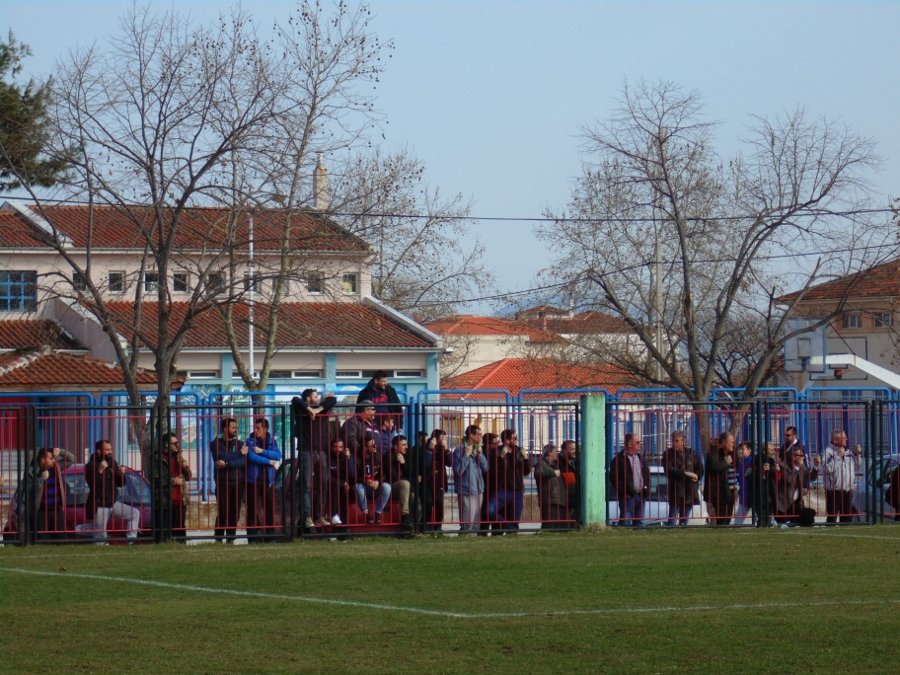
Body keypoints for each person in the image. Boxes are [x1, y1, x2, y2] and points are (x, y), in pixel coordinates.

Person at [291, 388, 339, 530]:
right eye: (315, 396)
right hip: (306, 451)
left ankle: (320, 516)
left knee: (323, 483)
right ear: (308, 398)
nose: (318, 398)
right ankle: (307, 517)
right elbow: (295, 399)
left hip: (321, 451)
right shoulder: (300, 409)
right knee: (306, 485)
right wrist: (308, 409)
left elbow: (333, 399)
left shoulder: (321, 409)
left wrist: (316, 411)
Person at [85, 439, 140, 542]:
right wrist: (100, 471)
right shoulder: (91, 466)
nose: (111, 452)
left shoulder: (111, 462)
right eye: (107, 450)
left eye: (111, 449)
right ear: (99, 451)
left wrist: (121, 474)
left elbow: (121, 484)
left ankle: (131, 541)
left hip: (113, 502)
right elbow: (93, 485)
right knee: (100, 537)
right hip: (100, 504)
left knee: (134, 513)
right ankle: (100, 548)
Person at [17, 447, 73, 542]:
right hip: (42, 510)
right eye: (51, 458)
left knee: (62, 538)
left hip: (57, 509)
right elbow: (29, 490)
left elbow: (71, 459)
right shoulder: (31, 471)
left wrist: (61, 452)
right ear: (43, 459)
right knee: (43, 539)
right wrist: (41, 479)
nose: (53, 460)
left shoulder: (56, 466)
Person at [208, 417, 248, 543]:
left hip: (238, 482)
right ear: (225, 429)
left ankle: (231, 539)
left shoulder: (240, 444)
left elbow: (242, 462)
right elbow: (222, 456)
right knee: (223, 512)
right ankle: (218, 539)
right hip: (222, 483)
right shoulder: (215, 444)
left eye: (236, 427)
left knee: (234, 512)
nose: (236, 430)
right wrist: (239, 454)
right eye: (233, 427)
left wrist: (226, 464)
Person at [245, 417, 281, 542]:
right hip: (253, 480)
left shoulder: (272, 441)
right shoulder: (250, 441)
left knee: (269, 509)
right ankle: (252, 537)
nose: (255, 430)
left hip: (268, 480)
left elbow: (278, 455)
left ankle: (270, 537)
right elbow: (251, 457)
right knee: (252, 509)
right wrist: (269, 461)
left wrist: (262, 451)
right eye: (254, 428)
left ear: (265, 429)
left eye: (258, 428)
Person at [487, 429, 530, 531]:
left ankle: (512, 529)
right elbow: (494, 471)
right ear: (506, 440)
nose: (516, 440)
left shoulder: (519, 451)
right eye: (514, 438)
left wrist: (526, 458)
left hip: (517, 490)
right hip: (503, 490)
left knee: (515, 521)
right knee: (490, 511)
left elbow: (526, 472)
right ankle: (509, 527)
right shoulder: (497, 451)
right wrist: (501, 456)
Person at [661, 431, 703, 527]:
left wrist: (697, 476)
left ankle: (682, 531)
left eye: (677, 441)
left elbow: (699, 467)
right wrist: (684, 473)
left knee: (684, 521)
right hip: (676, 490)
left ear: (683, 441)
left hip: (689, 490)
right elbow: (668, 470)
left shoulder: (691, 453)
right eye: (673, 441)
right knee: (672, 520)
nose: (674, 443)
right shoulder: (668, 454)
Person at [452, 424, 487, 533]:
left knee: (476, 521)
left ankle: (474, 540)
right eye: (479, 434)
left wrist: (480, 456)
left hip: (479, 488)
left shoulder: (478, 449)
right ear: (471, 435)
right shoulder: (459, 451)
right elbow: (458, 471)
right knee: (467, 521)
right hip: (466, 489)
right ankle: (465, 536)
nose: (481, 436)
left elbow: (486, 468)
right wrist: (466, 456)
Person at [609, 433, 649, 527]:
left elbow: (646, 474)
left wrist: (646, 487)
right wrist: (624, 491)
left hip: (641, 494)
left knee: (639, 523)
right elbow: (614, 478)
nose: (640, 444)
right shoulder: (619, 459)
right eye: (638, 442)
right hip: (628, 496)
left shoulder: (640, 457)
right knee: (626, 522)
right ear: (630, 444)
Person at [775, 443, 818, 526]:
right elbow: (789, 479)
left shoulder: (802, 466)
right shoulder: (783, 466)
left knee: (809, 515)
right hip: (785, 501)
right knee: (802, 518)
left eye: (803, 455)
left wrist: (815, 466)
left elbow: (811, 477)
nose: (803, 457)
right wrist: (796, 468)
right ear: (793, 457)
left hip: (796, 501)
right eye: (800, 455)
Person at [822, 429, 860, 524]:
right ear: (835, 440)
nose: (846, 439)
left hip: (848, 490)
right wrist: (838, 457)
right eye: (843, 438)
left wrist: (857, 454)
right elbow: (827, 469)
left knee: (847, 517)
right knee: (832, 517)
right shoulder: (828, 452)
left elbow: (857, 466)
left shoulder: (848, 452)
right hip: (834, 491)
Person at [160, 433, 192, 540]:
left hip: (180, 499)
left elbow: (188, 477)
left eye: (178, 443)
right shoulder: (159, 458)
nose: (178, 445)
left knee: (180, 527)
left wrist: (186, 468)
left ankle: (181, 544)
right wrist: (174, 481)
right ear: (167, 445)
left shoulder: (179, 457)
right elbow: (157, 478)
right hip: (166, 500)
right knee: (167, 529)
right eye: (175, 443)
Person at [354, 432, 391, 524]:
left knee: (387, 487)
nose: (375, 447)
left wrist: (378, 481)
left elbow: (384, 474)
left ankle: (377, 514)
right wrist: (366, 481)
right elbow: (353, 476)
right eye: (372, 446)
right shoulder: (357, 458)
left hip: (375, 486)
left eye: (375, 445)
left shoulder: (378, 456)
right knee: (358, 487)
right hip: (364, 487)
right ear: (365, 448)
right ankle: (366, 515)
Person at [705, 432, 737, 527]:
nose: (733, 444)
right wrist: (725, 463)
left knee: (727, 518)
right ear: (724, 442)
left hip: (729, 488)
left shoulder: (729, 452)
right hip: (718, 491)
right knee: (722, 519)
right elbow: (715, 466)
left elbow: (736, 464)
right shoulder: (714, 451)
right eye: (731, 442)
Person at [422, 428, 451, 532]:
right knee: (428, 502)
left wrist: (446, 449)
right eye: (442, 438)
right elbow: (426, 463)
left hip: (440, 480)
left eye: (445, 438)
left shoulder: (443, 449)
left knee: (439, 503)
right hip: (428, 480)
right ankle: (427, 525)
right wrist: (430, 448)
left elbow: (450, 463)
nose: (444, 440)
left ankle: (438, 526)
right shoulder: (427, 447)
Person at [386, 435, 416, 529]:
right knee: (405, 483)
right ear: (395, 446)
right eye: (403, 445)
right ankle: (405, 515)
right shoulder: (388, 456)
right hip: (392, 487)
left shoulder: (407, 455)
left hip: (406, 487)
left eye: (406, 444)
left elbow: (412, 473)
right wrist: (398, 463)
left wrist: (403, 464)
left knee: (414, 498)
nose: (406, 447)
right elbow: (393, 477)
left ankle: (411, 526)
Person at [536, 443, 567, 530]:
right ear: (549, 453)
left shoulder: (554, 465)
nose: (557, 453)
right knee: (549, 526)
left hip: (557, 500)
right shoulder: (542, 464)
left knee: (557, 526)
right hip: (549, 500)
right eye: (555, 451)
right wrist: (553, 473)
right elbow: (539, 474)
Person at [327, 437, 355, 526]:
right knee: (336, 487)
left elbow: (351, 474)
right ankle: (334, 516)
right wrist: (343, 483)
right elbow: (327, 477)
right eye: (335, 447)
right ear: (332, 447)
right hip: (333, 486)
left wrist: (349, 459)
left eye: (340, 447)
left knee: (345, 494)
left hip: (347, 488)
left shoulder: (347, 458)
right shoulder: (328, 458)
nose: (338, 449)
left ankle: (343, 529)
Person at [733, 441, 754, 525]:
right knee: (739, 519)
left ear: (749, 451)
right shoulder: (742, 462)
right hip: (744, 495)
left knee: (739, 520)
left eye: (742, 449)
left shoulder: (750, 462)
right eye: (739, 449)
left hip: (749, 494)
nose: (740, 451)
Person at [558, 439, 579, 522]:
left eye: (575, 449)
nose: (575, 451)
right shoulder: (559, 462)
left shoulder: (579, 461)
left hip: (576, 493)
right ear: (564, 450)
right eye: (572, 449)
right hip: (564, 494)